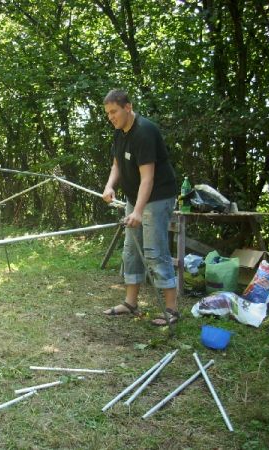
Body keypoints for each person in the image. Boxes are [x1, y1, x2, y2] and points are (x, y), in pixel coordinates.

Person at [101, 89, 179, 326]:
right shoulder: (119, 132)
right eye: (107, 114)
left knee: (155, 252)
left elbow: (148, 178)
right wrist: (109, 186)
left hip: (157, 197)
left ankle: (172, 310)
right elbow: (116, 165)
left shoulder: (144, 132)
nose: (111, 117)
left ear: (128, 107)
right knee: (131, 250)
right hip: (135, 199)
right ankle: (130, 303)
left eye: (113, 111)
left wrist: (137, 211)